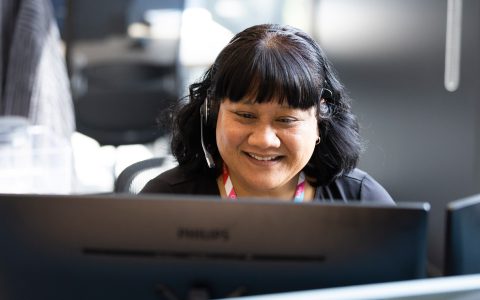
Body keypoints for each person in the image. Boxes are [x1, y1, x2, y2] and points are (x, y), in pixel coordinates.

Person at [141, 24, 394, 204]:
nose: (264, 140)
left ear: (320, 120)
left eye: (286, 120)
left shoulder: (362, 202)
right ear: (212, 112)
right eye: (246, 116)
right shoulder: (164, 201)